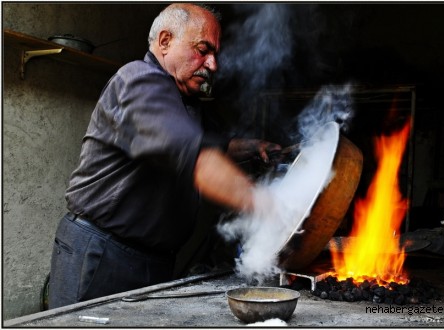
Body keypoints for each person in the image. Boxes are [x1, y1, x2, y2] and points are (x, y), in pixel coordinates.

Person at [48, 3, 281, 309]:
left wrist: (251, 147)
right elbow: (195, 157)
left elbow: (213, 146)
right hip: (102, 253)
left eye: (215, 55)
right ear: (165, 41)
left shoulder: (184, 100)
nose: (212, 64)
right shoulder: (139, 81)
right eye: (202, 49)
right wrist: (271, 206)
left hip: (151, 259)